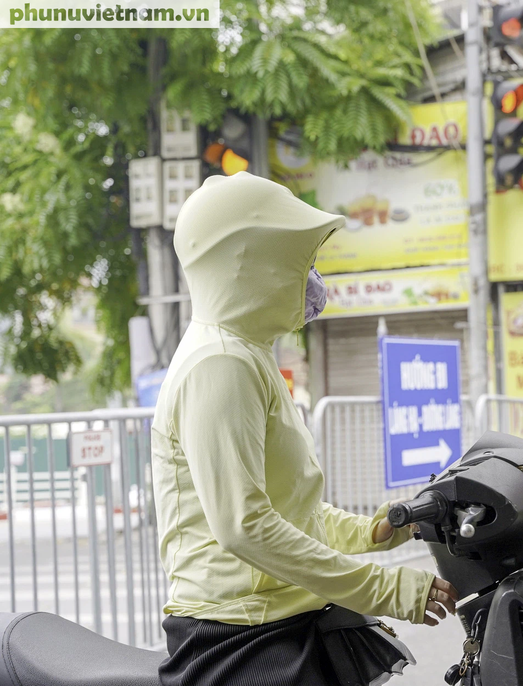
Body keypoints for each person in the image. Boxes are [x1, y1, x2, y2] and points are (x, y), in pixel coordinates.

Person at [150, 172, 457, 686]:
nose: (314, 278)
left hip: (283, 614)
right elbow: (246, 527)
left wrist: (372, 532)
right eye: (303, 261)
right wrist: (386, 589)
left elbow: (292, 509)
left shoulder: (247, 354)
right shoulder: (219, 364)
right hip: (239, 634)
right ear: (253, 261)